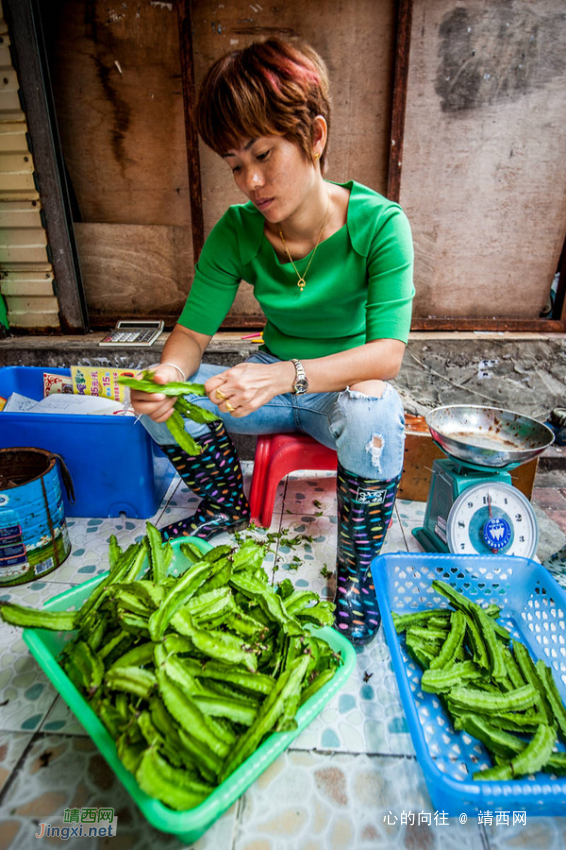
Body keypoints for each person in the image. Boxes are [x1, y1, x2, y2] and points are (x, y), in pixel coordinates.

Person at [130, 37, 414, 646]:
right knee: (157, 399)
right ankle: (225, 505)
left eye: (263, 154)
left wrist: (284, 375)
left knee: (377, 408)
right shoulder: (235, 232)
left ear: (314, 136)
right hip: (275, 381)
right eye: (234, 164)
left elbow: (387, 355)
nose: (251, 182)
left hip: (340, 389)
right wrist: (171, 377)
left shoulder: (381, 226)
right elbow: (189, 335)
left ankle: (359, 575)